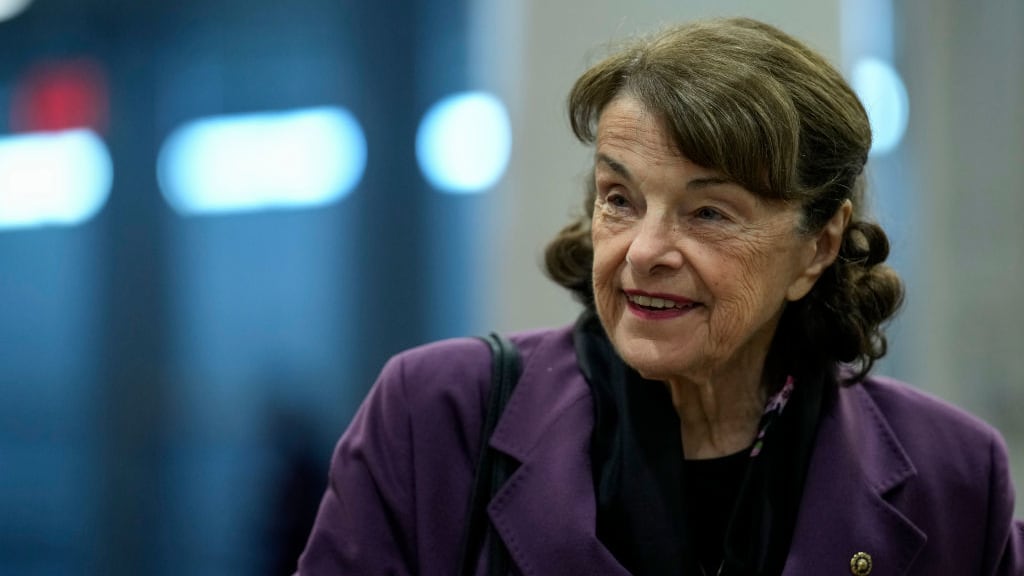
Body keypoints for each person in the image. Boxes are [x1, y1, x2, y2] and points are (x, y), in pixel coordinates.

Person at [296, 17, 1024, 575]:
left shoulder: (955, 478)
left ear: (819, 247)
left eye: (708, 212)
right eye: (620, 198)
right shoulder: (435, 418)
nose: (643, 251)